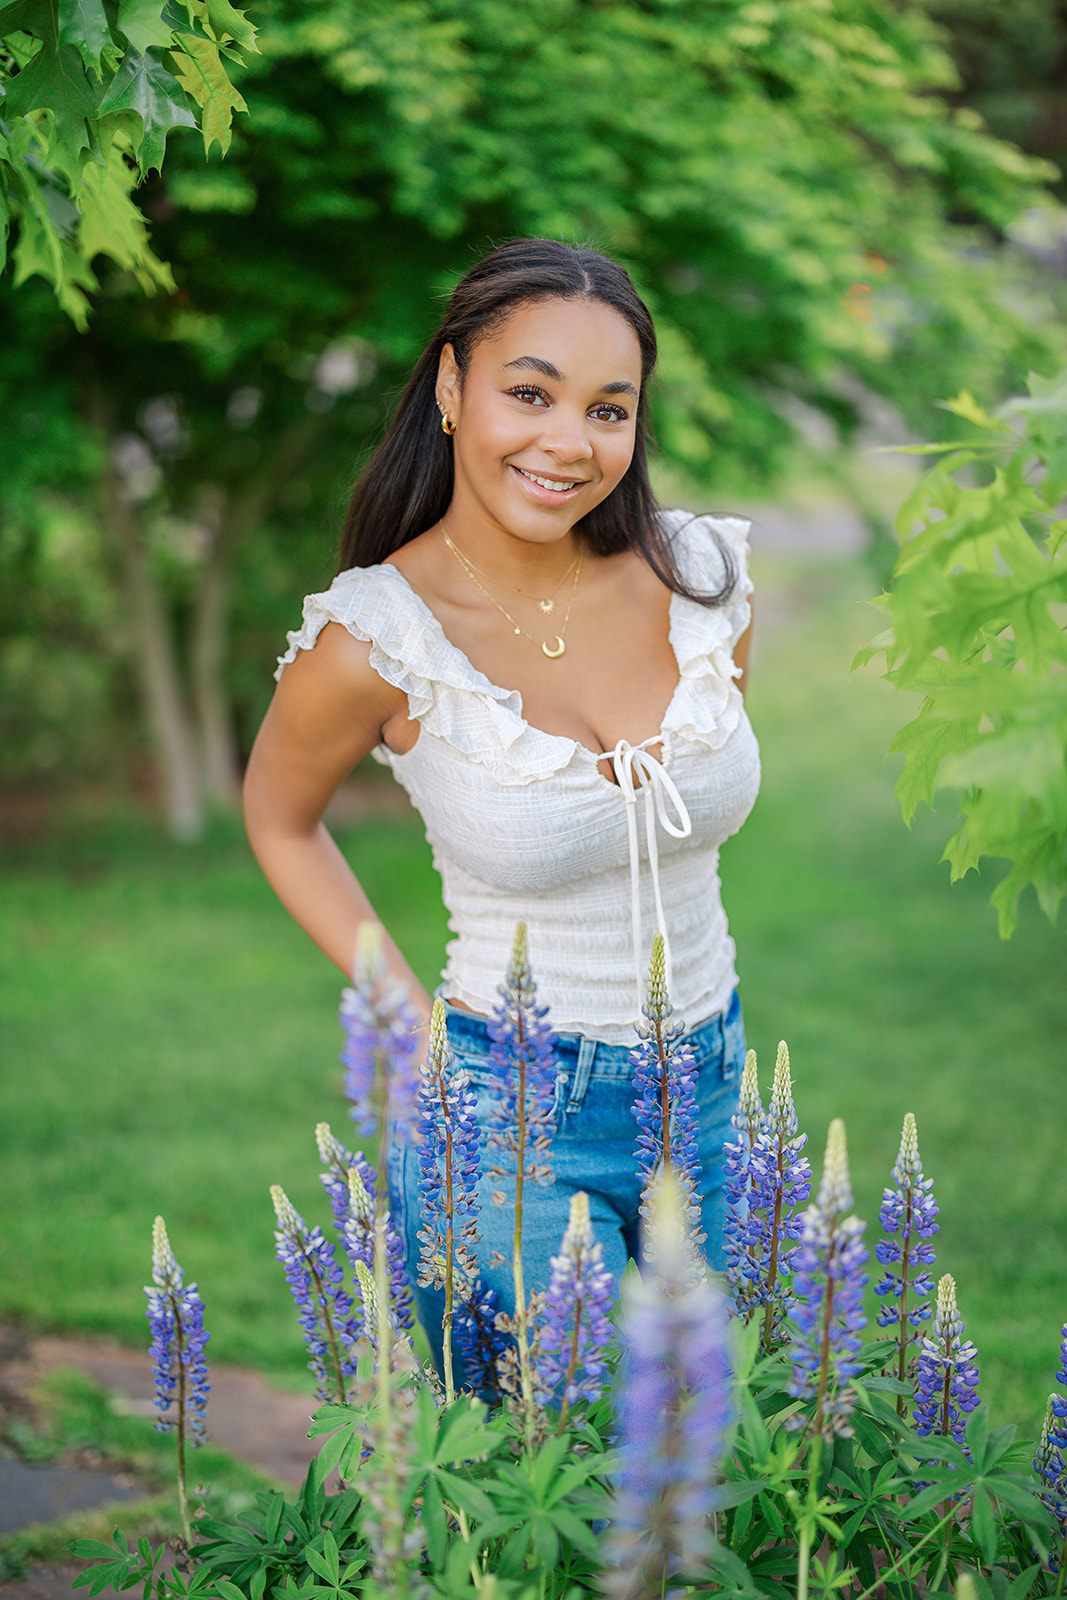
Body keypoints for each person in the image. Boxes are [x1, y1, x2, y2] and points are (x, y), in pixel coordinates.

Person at [243, 237, 760, 1381]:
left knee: (741, 1449)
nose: (568, 442)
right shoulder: (377, 637)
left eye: (607, 409)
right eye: (529, 392)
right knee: (555, 1469)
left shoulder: (701, 580)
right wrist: (404, 1017)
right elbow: (278, 818)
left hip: (716, 1088)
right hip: (510, 1111)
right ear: (448, 386)